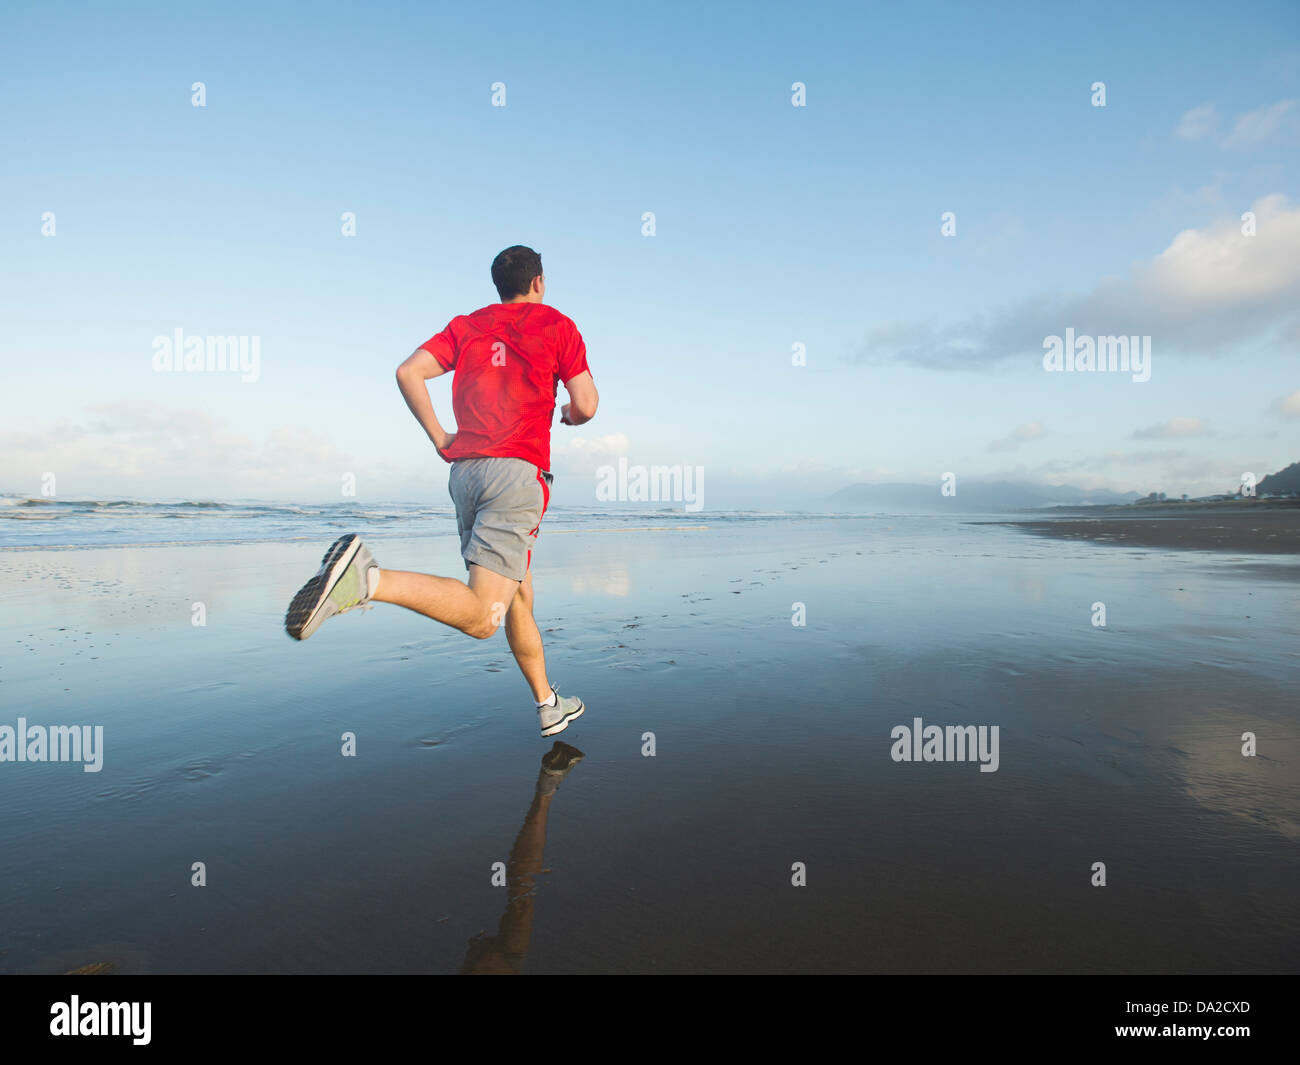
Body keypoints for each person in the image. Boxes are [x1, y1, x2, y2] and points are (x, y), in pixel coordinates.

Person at [284, 246, 599, 737]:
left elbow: (408, 372)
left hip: (466, 476)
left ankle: (547, 702)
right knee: (482, 617)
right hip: (516, 475)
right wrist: (570, 416)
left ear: (499, 286)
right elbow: (587, 403)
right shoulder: (556, 324)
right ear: (538, 283)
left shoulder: (468, 326)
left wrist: (439, 438)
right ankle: (367, 580)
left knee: (516, 595)